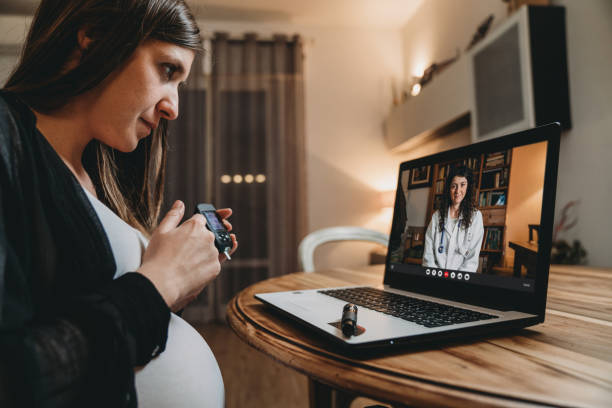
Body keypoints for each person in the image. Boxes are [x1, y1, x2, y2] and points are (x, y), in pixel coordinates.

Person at [0, 1, 237, 407]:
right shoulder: (8, 138)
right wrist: (163, 282)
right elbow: (17, 376)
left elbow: (94, 303)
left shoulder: (97, 169)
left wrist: (174, 279)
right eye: (167, 70)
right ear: (94, 38)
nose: (173, 108)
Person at [423, 166, 484, 272]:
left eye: (462, 185)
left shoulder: (476, 217)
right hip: (435, 277)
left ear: (468, 187)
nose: (458, 191)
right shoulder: (437, 216)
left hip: (459, 280)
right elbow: (428, 255)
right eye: (453, 186)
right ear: (449, 189)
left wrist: (455, 279)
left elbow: (471, 260)